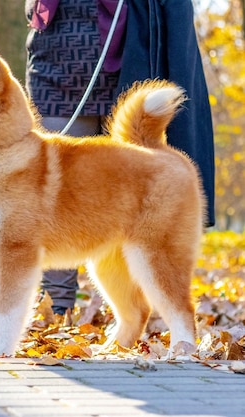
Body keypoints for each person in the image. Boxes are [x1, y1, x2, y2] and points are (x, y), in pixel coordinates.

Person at [24, 0, 215, 315]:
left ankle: (129, 309)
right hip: (57, 57)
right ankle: (54, 306)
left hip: (132, 46)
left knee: (124, 192)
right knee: (53, 190)